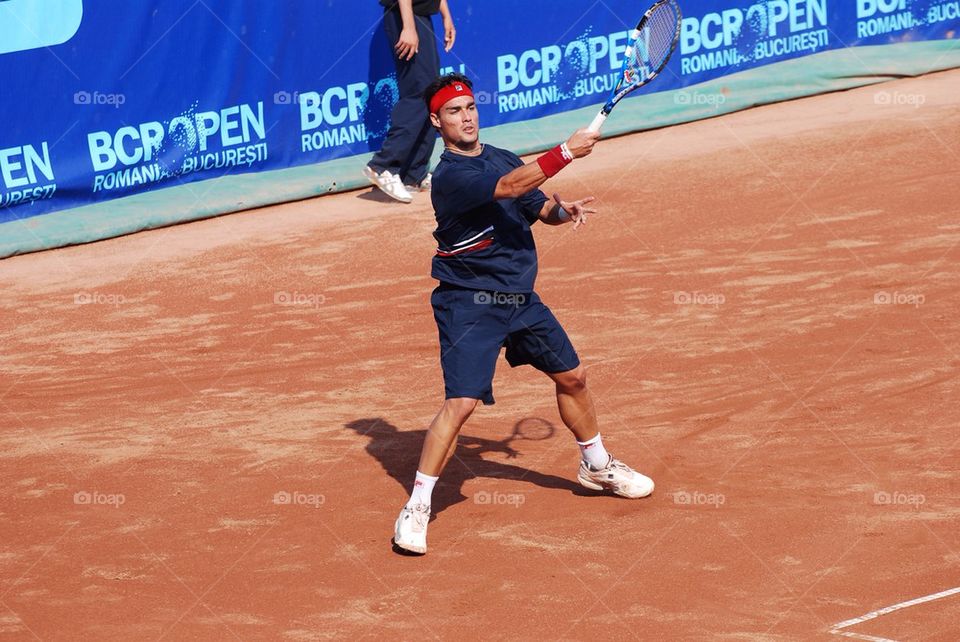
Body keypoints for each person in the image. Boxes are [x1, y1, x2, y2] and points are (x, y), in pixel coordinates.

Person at [393, 72, 655, 555]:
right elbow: (512, 187)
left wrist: (562, 211)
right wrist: (567, 152)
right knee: (462, 404)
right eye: (454, 111)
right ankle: (418, 504)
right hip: (468, 302)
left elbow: (536, 206)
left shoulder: (500, 156)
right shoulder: (451, 175)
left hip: (518, 298)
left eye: (470, 106)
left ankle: (595, 465)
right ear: (436, 121)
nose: (466, 116)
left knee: (573, 376)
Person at [364, 0, 455, 203]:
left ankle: (414, 174)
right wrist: (409, 27)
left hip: (421, 16)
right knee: (419, 92)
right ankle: (383, 165)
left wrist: (445, 15)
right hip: (406, 16)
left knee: (430, 91)